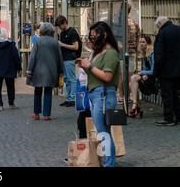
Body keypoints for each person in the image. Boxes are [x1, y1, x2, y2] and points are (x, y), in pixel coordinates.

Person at [77, 21, 120, 167]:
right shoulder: (98, 52)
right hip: (97, 95)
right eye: (91, 37)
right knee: (103, 132)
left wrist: (90, 66)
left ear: (104, 35)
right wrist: (85, 65)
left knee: (103, 133)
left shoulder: (111, 53)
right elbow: (95, 71)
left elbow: (107, 76)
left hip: (103, 95)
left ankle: (109, 163)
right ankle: (108, 162)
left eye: (94, 37)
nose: (92, 40)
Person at [26, 23, 63, 121]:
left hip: (38, 71)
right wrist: (60, 71)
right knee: (48, 92)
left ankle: (36, 113)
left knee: (37, 92)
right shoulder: (55, 42)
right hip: (51, 71)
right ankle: (46, 114)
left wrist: (29, 69)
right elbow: (59, 58)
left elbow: (32, 57)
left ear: (42, 31)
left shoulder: (38, 41)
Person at [153, 16, 180, 126]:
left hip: (166, 71)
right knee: (177, 94)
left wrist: (156, 71)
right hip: (178, 70)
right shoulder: (178, 29)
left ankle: (169, 118)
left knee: (167, 95)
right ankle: (178, 117)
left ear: (160, 23)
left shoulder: (162, 33)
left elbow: (159, 55)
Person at [55, 15, 81, 108]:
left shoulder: (72, 32)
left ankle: (72, 98)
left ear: (65, 23)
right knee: (66, 79)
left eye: (60, 25)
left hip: (70, 58)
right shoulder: (62, 33)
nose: (59, 28)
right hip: (64, 58)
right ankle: (68, 98)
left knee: (71, 78)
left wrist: (62, 44)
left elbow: (76, 47)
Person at [129, 35, 157, 118]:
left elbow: (153, 71)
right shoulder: (144, 53)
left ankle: (136, 106)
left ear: (148, 44)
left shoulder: (152, 54)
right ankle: (137, 107)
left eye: (143, 42)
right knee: (131, 83)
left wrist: (142, 72)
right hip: (148, 77)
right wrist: (144, 73)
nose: (141, 44)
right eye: (140, 42)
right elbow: (145, 68)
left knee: (133, 79)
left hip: (155, 79)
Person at [119, 4, 140, 104]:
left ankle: (122, 96)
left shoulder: (119, 23)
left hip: (122, 52)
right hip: (132, 52)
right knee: (130, 74)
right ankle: (129, 95)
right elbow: (138, 37)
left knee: (122, 75)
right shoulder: (134, 23)